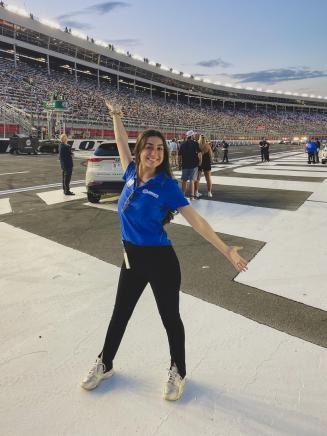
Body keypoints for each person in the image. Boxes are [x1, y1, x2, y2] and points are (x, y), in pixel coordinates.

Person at [81, 99, 248, 401]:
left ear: (164, 154)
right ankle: (105, 364)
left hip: (161, 261)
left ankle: (178, 371)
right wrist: (117, 115)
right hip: (131, 258)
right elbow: (120, 140)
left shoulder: (168, 186)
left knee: (170, 318)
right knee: (120, 315)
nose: (154, 153)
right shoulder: (130, 172)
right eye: (149, 147)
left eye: (160, 149)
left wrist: (226, 250)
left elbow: (196, 221)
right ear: (141, 148)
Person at [178, 130, 201, 199]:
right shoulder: (195, 143)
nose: (194, 136)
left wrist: (179, 164)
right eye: (193, 135)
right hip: (194, 164)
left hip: (185, 164)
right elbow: (199, 154)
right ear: (191, 136)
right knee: (192, 180)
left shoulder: (182, 144)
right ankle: (192, 196)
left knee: (184, 180)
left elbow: (179, 155)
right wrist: (200, 162)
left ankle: (183, 196)